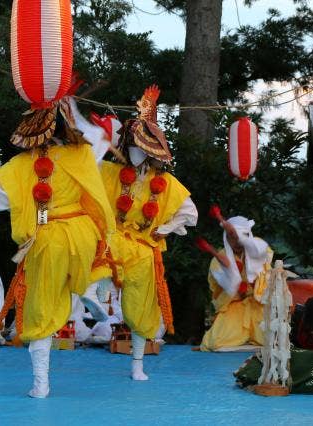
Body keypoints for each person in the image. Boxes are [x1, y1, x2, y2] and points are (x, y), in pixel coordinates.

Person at [0, 97, 115, 398]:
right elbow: (98, 141)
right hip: (82, 231)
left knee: (41, 308)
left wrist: (27, 203)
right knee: (98, 259)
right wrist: (72, 109)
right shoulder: (82, 153)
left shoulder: (23, 164)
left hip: (47, 234)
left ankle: (41, 385)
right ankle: (85, 285)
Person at [94, 85, 197, 380]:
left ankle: (137, 364)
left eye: (141, 148)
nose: (135, 153)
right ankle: (98, 286)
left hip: (145, 249)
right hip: (115, 240)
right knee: (101, 242)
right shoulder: (110, 173)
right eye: (132, 147)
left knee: (141, 309)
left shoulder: (167, 183)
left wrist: (166, 228)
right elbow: (87, 185)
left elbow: (191, 214)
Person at [199, 216, 273, 351]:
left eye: (239, 238)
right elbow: (219, 290)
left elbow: (266, 282)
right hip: (234, 305)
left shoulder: (259, 254)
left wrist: (253, 284)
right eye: (232, 238)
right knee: (216, 341)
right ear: (226, 238)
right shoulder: (218, 260)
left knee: (270, 338)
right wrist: (235, 284)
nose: (236, 242)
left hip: (257, 303)